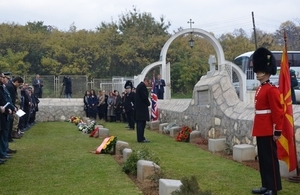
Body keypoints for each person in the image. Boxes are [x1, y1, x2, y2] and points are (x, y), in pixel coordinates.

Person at [251, 47, 283, 195]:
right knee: (263, 161)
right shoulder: (261, 88)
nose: (257, 73)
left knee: (270, 160)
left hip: (269, 129)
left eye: (260, 70)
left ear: (266, 70)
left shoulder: (271, 89)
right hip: (261, 127)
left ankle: (273, 188)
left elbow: (277, 111)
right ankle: (266, 185)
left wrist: (277, 130)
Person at [135, 77, 151, 143]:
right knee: (141, 124)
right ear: (146, 81)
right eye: (148, 83)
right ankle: (141, 138)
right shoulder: (142, 87)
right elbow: (144, 97)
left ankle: (141, 137)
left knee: (140, 124)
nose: (148, 84)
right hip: (141, 108)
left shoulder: (139, 86)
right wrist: (148, 103)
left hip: (139, 108)